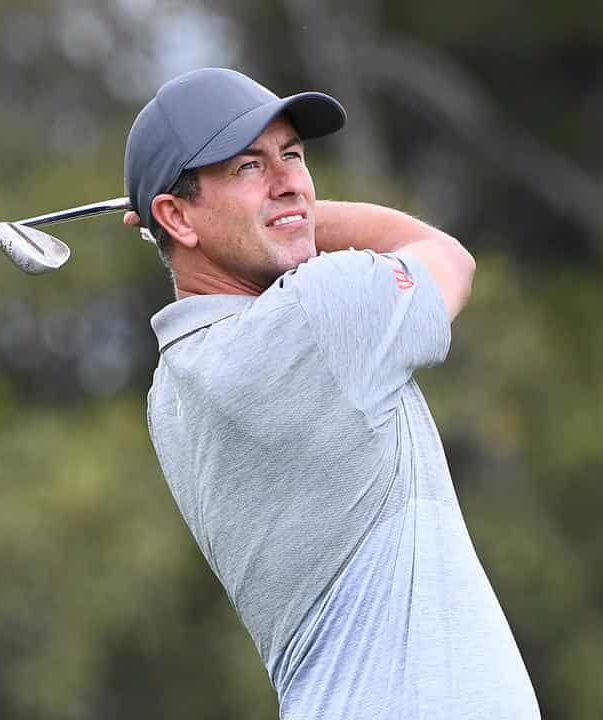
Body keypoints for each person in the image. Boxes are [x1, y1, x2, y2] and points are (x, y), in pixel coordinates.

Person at [124, 67, 540, 719]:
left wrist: (248, 216)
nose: (290, 179)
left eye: (291, 155)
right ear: (176, 215)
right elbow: (444, 255)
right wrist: (299, 216)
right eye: (248, 167)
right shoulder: (318, 314)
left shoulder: (169, 394)